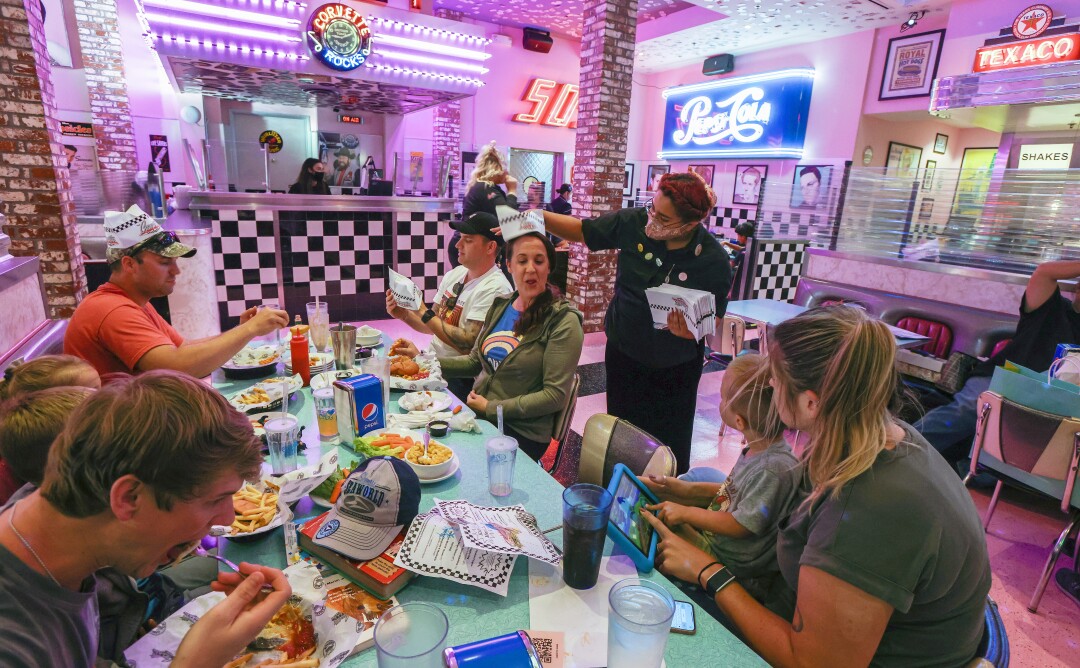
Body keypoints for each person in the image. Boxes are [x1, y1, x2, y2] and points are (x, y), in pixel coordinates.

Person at [643, 306, 992, 667]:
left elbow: (810, 662)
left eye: (776, 377)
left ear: (811, 403)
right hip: (826, 618)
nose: (771, 384)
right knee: (704, 482)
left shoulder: (868, 509)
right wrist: (691, 497)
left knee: (657, 610)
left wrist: (707, 571)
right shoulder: (880, 436)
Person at [0, 370, 292, 667]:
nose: (229, 518)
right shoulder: (14, 643)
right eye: (215, 500)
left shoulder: (60, 508)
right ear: (129, 498)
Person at [542, 171, 731, 474]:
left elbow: (713, 321)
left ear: (691, 223)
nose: (652, 219)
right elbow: (583, 231)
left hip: (675, 368)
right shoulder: (634, 223)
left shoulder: (713, 260)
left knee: (669, 447)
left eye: (664, 219)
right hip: (624, 352)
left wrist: (693, 330)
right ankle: (618, 494)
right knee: (622, 436)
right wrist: (539, 216)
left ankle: (662, 508)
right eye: (652, 208)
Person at [401, 221, 583, 461]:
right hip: (481, 416)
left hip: (521, 431)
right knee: (417, 445)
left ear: (549, 267)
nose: (531, 269)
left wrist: (492, 407)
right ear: (509, 265)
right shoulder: (502, 305)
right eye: (522, 261)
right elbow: (475, 361)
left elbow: (554, 395)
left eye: (539, 261)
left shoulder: (563, 321)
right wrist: (422, 361)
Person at [642, 354, 797, 603]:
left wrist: (685, 513)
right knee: (672, 497)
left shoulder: (772, 469)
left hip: (730, 559)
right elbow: (736, 489)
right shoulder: (761, 447)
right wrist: (682, 490)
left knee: (658, 526)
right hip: (721, 532)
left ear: (739, 421)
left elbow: (741, 525)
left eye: (724, 397)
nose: (720, 400)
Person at [65, 205, 288, 377]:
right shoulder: (112, 310)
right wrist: (249, 330)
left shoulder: (135, 303)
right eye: (164, 262)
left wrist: (240, 331)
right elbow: (178, 367)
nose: (176, 271)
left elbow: (184, 347)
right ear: (129, 264)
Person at [915, 259, 1080, 470]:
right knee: (970, 408)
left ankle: (971, 470)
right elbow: (1044, 273)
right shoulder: (1051, 307)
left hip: (1049, 399)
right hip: (1000, 379)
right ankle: (903, 447)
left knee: (1038, 439)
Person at [386, 211, 512, 400]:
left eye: (467, 240)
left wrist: (421, 311)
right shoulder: (456, 274)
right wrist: (404, 315)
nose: (457, 245)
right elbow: (433, 326)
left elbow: (467, 345)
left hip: (461, 379)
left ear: (491, 247)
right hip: (433, 364)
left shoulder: (495, 288)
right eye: (460, 238)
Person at [450, 141, 518, 268]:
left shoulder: (479, 186)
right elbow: (509, 219)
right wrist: (512, 191)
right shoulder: (486, 188)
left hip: (468, 245)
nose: (507, 172)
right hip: (470, 247)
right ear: (498, 168)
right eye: (505, 167)